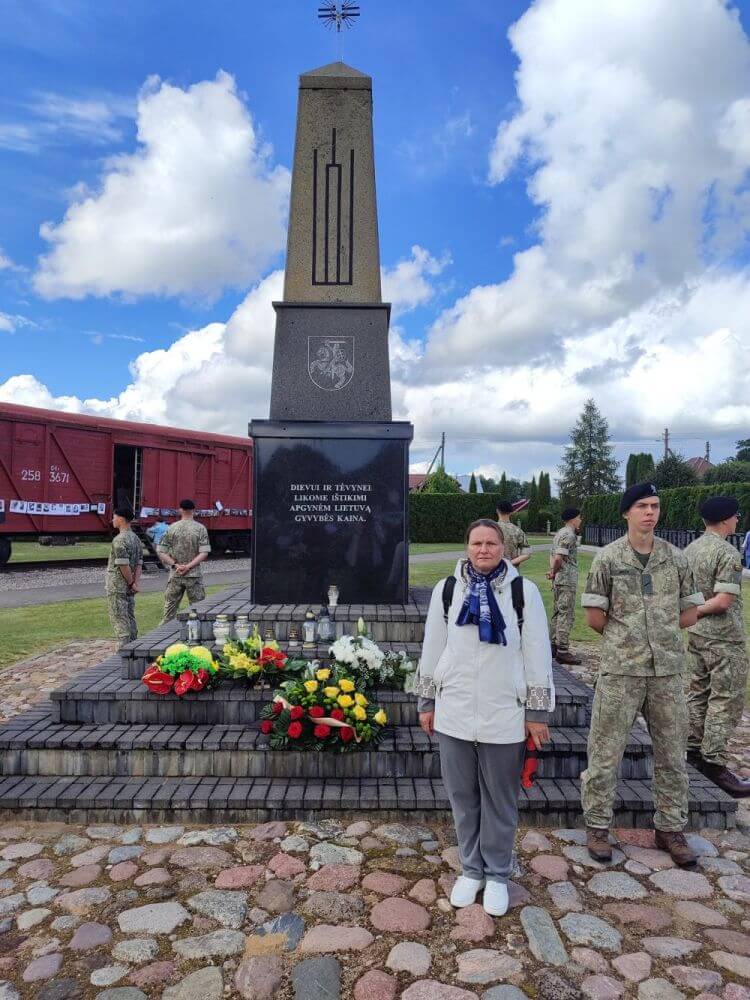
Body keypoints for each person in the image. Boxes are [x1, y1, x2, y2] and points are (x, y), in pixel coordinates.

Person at [416, 519, 554, 916]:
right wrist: (426, 701)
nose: (483, 550)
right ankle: (471, 869)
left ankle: (496, 874)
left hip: (504, 712)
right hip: (455, 711)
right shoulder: (447, 590)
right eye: (476, 543)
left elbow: (537, 653)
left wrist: (536, 712)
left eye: (491, 543)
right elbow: (432, 647)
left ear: (503, 547)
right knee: (462, 797)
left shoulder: (523, 592)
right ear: (467, 547)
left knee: (499, 799)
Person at [580, 482, 703, 867]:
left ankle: (670, 827)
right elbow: (594, 617)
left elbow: (690, 612)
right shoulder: (608, 558)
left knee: (672, 754)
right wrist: (628, 638)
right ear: (626, 513)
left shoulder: (676, 558)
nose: (650, 512)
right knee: (605, 751)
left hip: (667, 672)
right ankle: (597, 825)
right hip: (621, 670)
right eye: (642, 506)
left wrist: (659, 635)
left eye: (654, 506)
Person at [684, 496, 750, 796]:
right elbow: (723, 601)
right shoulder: (727, 552)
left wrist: (691, 615)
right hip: (724, 639)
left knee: (698, 693)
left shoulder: (691, 549)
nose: (737, 520)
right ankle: (714, 762)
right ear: (725, 519)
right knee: (726, 699)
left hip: (697, 635)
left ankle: (693, 751)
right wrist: (698, 611)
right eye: (736, 516)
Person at [158, 499, 211, 623]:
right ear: (194, 511)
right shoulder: (200, 528)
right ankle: (197, 632)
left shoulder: (172, 528)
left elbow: (161, 552)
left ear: (180, 510)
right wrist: (188, 566)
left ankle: (165, 633)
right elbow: (204, 552)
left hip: (175, 575)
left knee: (169, 611)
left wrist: (175, 565)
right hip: (194, 575)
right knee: (198, 611)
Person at [547, 507, 582, 665]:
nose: (580, 520)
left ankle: (553, 646)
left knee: (557, 612)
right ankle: (562, 650)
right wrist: (554, 571)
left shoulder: (560, 533)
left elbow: (553, 556)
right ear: (573, 519)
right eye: (579, 518)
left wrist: (552, 572)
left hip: (559, 579)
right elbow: (558, 558)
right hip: (566, 579)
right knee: (566, 614)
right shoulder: (569, 535)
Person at [106, 506, 143, 648]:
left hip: (118, 586)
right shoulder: (136, 539)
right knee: (130, 617)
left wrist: (131, 582)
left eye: (114, 517)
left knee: (120, 619)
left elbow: (123, 565)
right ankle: (134, 648)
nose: (112, 520)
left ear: (121, 519)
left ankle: (123, 653)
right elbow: (139, 563)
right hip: (130, 586)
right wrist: (135, 583)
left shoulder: (119, 540)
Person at [495, 501, 531, 570]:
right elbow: (527, 554)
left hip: (492, 569)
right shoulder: (517, 530)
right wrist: (509, 563)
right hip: (512, 570)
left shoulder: (490, 529)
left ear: (497, 511)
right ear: (511, 512)